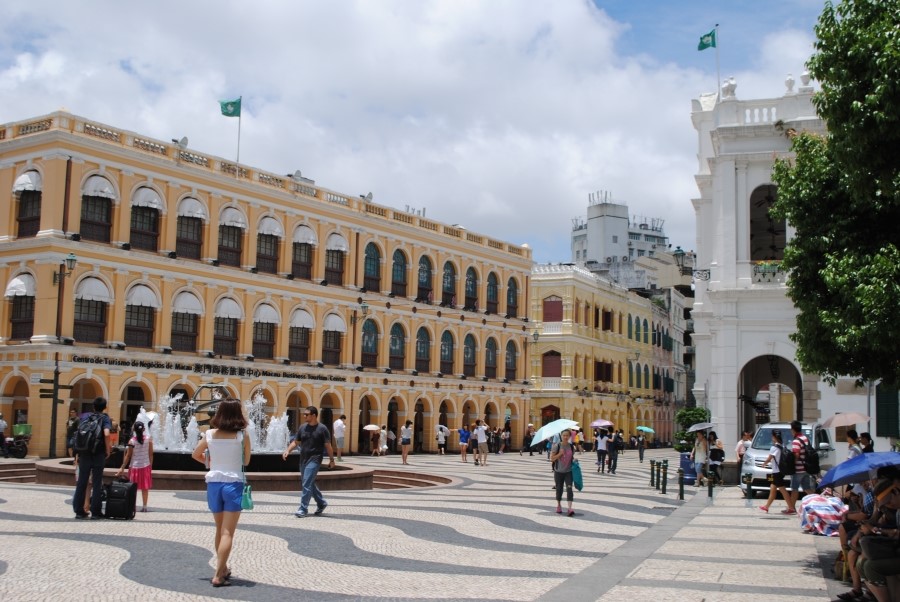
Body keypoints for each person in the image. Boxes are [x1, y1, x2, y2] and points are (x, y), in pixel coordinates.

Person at [191, 397, 250, 587]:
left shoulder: (209, 434)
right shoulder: (242, 436)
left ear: (220, 413)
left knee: (219, 530)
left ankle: (223, 568)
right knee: (227, 533)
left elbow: (195, 454)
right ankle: (218, 575)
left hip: (214, 484)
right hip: (233, 484)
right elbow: (246, 461)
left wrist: (210, 462)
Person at [283, 406, 335, 518]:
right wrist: (288, 450)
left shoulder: (322, 429)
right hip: (303, 459)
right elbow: (296, 442)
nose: (304, 416)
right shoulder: (302, 428)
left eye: (307, 414)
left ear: (314, 415)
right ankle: (321, 503)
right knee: (308, 482)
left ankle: (303, 509)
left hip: (315, 459)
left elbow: (328, 446)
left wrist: (331, 460)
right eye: (304, 414)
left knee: (306, 483)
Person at [73, 397, 112, 519]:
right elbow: (106, 433)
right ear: (105, 407)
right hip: (98, 453)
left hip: (84, 452)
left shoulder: (86, 417)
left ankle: (79, 511)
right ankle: (96, 512)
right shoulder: (105, 418)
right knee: (96, 482)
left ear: (93, 407)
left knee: (82, 482)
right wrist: (108, 450)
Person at [115, 421, 154, 512]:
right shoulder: (149, 439)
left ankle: (133, 506)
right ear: (144, 429)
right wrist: (150, 466)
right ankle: (144, 506)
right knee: (145, 488)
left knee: (133, 488)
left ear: (134, 430)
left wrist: (122, 467)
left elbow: (128, 455)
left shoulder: (132, 441)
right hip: (145, 466)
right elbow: (151, 454)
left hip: (134, 467)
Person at [759, 429, 795, 514]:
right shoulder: (781, 446)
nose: (771, 438)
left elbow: (770, 458)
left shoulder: (774, 447)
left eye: (772, 436)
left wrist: (764, 464)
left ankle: (791, 507)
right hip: (780, 471)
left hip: (777, 471)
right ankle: (766, 506)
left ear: (774, 437)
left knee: (782, 489)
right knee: (773, 488)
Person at [788, 420, 814, 511]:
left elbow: (796, 454)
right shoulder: (805, 438)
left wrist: (792, 464)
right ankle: (817, 501)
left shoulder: (796, 441)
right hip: (806, 468)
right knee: (807, 488)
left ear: (793, 430)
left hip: (798, 469)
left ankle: (791, 508)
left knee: (794, 489)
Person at [550, 429, 576, 517]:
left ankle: (570, 508)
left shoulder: (571, 447)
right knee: (559, 489)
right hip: (558, 472)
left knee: (569, 489)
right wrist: (560, 454)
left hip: (569, 471)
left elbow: (571, 457)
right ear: (561, 436)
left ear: (569, 436)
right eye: (564, 435)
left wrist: (575, 460)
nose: (565, 437)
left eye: (567, 435)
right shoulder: (556, 446)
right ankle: (559, 505)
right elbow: (552, 459)